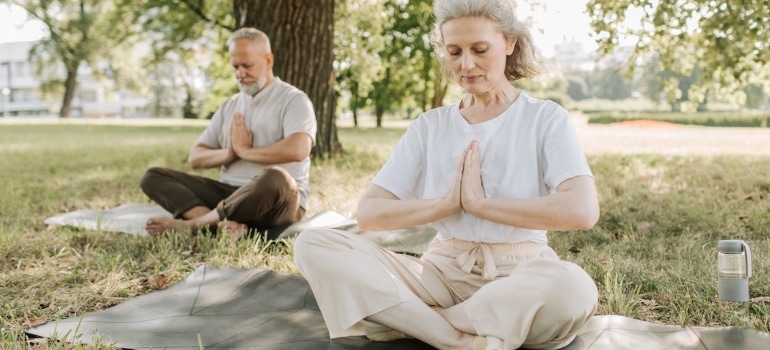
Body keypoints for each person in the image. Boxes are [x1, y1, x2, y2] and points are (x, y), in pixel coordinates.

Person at [293, 0, 599, 349]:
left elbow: (582, 210)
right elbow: (370, 212)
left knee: (573, 289)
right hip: (440, 272)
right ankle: (454, 338)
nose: (466, 64)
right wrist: (446, 204)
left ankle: (418, 320)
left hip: (522, 272)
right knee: (314, 243)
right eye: (454, 52)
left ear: (510, 43)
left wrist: (481, 205)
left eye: (479, 49)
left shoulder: (545, 118)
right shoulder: (429, 126)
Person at [140, 27, 317, 240]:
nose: (240, 74)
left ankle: (196, 225)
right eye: (235, 67)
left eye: (247, 65)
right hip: (229, 194)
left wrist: (245, 150)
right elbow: (195, 157)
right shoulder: (230, 105)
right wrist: (229, 153)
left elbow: (298, 149)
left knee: (275, 177)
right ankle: (223, 226)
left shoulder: (294, 99)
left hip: (275, 202)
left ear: (268, 61)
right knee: (154, 176)